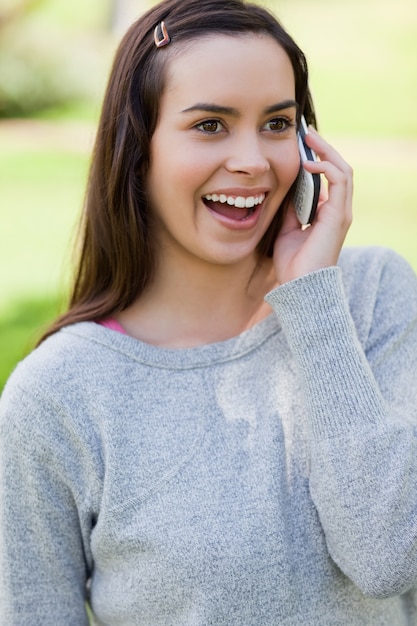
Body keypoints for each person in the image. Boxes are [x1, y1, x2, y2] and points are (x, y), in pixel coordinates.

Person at [1, 0, 416, 623]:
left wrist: (311, 301)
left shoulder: (371, 295)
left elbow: (389, 555)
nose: (253, 160)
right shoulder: (57, 395)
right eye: (211, 125)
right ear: (137, 150)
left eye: (277, 123)